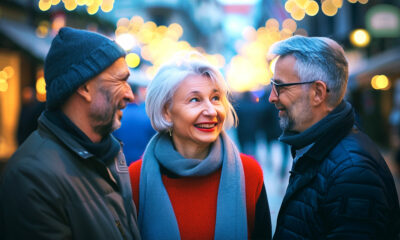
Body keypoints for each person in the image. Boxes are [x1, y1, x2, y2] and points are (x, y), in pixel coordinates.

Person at [0, 27, 141, 239]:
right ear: (84, 87)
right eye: (120, 80)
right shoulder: (32, 176)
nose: (130, 95)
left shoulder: (109, 153)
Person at [267, 35, 400, 239]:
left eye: (281, 86)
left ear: (318, 92)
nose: (272, 97)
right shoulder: (320, 150)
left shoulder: (353, 172)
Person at [129, 53, 272, 240]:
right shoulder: (135, 178)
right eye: (195, 100)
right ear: (166, 112)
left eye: (215, 98)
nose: (211, 111)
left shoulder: (249, 173)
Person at [113, 78, 156, 165]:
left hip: (120, 165)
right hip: (142, 165)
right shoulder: (148, 115)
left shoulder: (115, 115)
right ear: (137, 93)